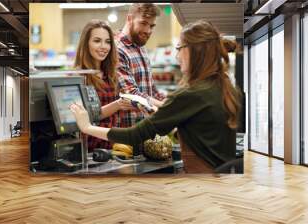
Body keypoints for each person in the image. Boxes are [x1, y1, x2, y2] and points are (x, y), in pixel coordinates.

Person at [70, 20, 241, 173]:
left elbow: (135, 135)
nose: (176, 56)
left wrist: (87, 127)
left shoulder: (191, 94)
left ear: (193, 51)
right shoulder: (224, 86)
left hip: (203, 179)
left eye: (179, 48)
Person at [74, 20, 137, 151]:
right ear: (86, 44)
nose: (104, 46)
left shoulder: (111, 74)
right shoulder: (78, 77)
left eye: (108, 42)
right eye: (97, 41)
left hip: (111, 145)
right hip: (90, 149)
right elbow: (87, 116)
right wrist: (118, 104)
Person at [115, 3, 166, 127]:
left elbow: (150, 89)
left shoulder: (141, 47)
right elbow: (131, 93)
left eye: (152, 26)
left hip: (145, 127)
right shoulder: (117, 49)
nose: (148, 31)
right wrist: (165, 106)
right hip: (127, 131)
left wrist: (167, 100)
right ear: (129, 19)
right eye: (143, 23)